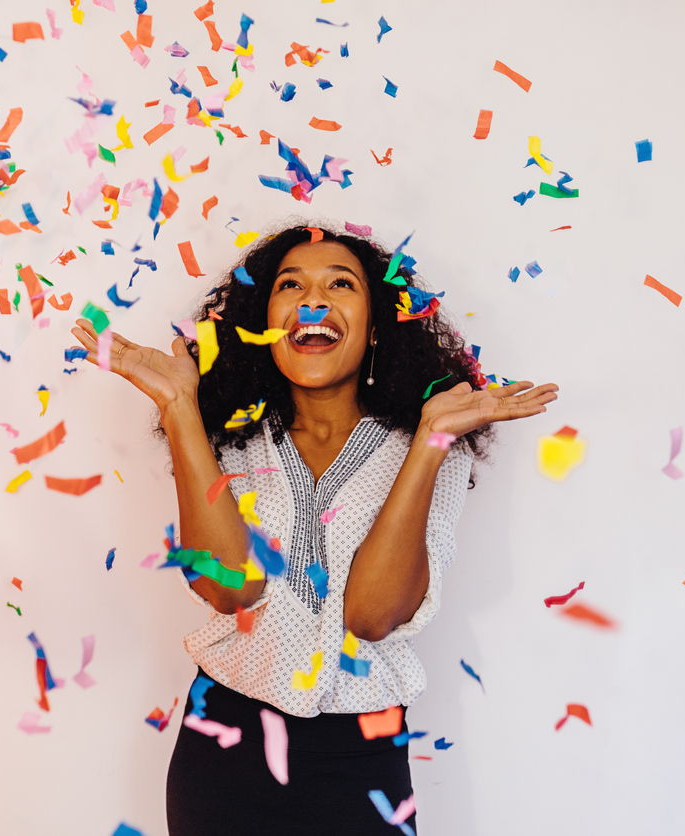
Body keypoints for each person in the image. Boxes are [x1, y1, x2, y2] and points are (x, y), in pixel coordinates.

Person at [71, 222, 559, 834]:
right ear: (265, 321)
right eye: (290, 285)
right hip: (222, 752)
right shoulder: (229, 436)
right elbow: (229, 589)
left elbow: (372, 615)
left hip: (360, 760)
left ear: (377, 324)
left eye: (341, 283)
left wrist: (431, 443)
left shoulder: (433, 443)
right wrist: (179, 410)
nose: (313, 300)